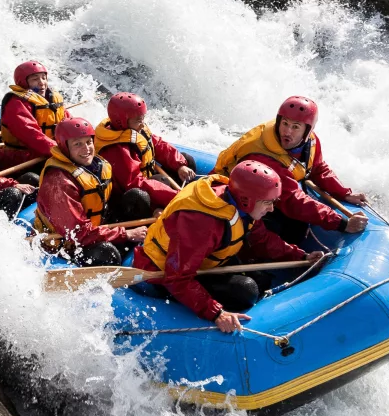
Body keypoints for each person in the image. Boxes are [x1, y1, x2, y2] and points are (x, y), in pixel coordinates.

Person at [133, 161, 325, 333]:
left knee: (262, 280)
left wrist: (301, 257)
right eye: (267, 203)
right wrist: (216, 313)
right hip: (163, 272)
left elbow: (262, 239)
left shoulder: (239, 203)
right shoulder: (201, 224)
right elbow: (177, 278)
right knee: (246, 291)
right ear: (246, 200)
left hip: (204, 261)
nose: (271, 209)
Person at [214, 96, 368, 243]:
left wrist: (344, 193)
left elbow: (318, 168)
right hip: (231, 197)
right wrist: (340, 223)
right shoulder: (264, 156)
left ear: (308, 130)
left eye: (295, 127)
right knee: (289, 226)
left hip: (261, 196)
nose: (287, 132)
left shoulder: (310, 141)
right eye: (285, 123)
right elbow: (292, 200)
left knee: (297, 226)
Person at [34, 118, 146, 267]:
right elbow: (78, 234)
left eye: (88, 142)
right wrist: (126, 234)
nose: (86, 149)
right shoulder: (59, 182)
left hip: (95, 226)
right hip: (67, 243)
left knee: (138, 198)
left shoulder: (98, 165)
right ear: (65, 147)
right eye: (77, 144)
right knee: (107, 253)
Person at [94, 92, 196, 221]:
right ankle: (166, 209)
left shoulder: (135, 129)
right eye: (138, 120)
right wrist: (172, 197)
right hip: (127, 199)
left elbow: (158, 145)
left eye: (143, 118)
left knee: (187, 161)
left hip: (145, 180)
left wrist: (180, 165)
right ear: (122, 121)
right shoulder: (115, 150)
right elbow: (135, 183)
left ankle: (184, 203)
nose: (142, 124)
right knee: (140, 195)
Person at [0, 60, 69, 168]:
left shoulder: (53, 98)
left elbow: (68, 122)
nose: (41, 83)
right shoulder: (16, 103)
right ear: (23, 82)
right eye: (35, 79)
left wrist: (75, 142)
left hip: (51, 151)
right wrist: (59, 150)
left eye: (44, 78)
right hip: (23, 158)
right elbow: (30, 134)